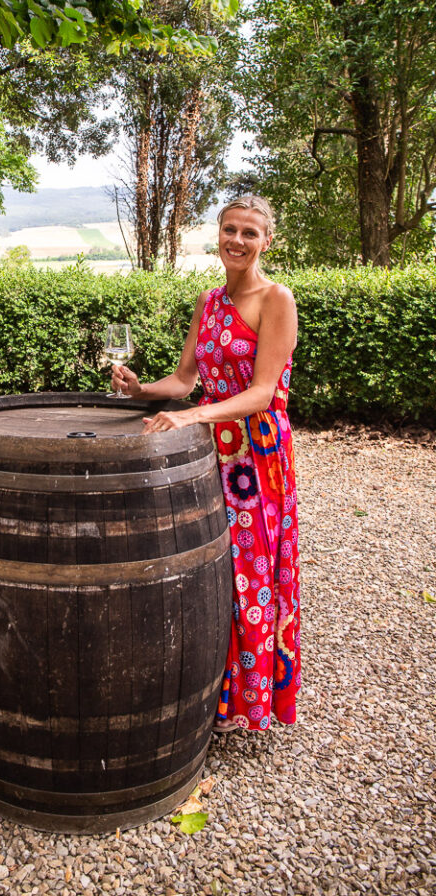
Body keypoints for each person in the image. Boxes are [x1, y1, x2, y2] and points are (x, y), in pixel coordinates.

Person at [112, 195, 300, 732]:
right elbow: (184, 382)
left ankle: (248, 701)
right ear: (217, 235)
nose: (237, 241)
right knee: (211, 566)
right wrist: (139, 389)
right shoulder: (208, 301)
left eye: (249, 233)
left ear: (267, 241)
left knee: (251, 571)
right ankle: (210, 693)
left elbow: (263, 393)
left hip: (256, 455)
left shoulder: (276, 299)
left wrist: (194, 417)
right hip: (210, 447)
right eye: (229, 230)